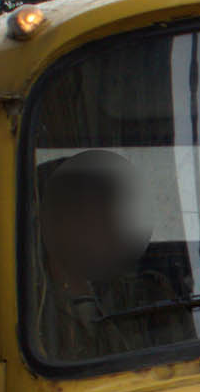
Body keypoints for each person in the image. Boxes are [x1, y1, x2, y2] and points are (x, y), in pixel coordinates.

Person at [33, 150, 189, 360]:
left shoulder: (149, 294)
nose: (111, 223)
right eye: (86, 211)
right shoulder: (30, 311)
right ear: (49, 223)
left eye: (113, 208)